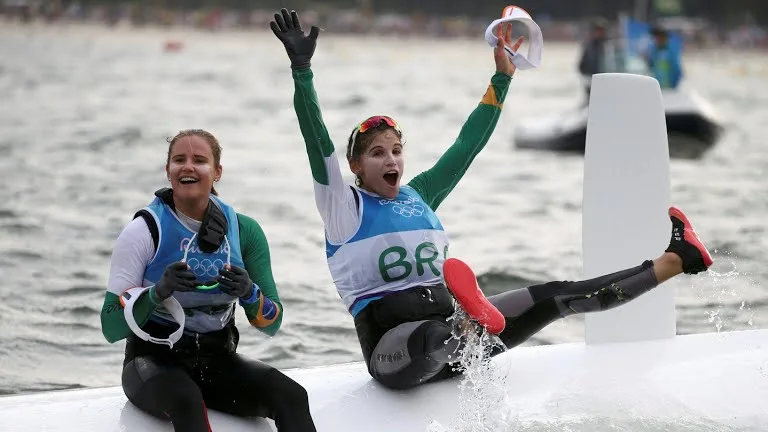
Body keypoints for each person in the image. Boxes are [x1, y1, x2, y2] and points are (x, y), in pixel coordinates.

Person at [270, 9, 713, 391]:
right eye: (377, 153)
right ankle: (468, 325)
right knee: (432, 339)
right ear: (355, 166)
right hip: (398, 350)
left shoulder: (419, 195)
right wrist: (302, 71)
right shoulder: (343, 207)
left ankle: (677, 258)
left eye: (396, 150)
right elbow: (316, 139)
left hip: (462, 333)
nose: (391, 160)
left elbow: (467, 146)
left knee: (559, 295)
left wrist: (502, 78)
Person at [100, 129, 317, 432]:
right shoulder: (143, 232)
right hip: (152, 362)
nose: (187, 167)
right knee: (187, 401)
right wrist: (156, 293)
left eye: (199, 160)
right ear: (168, 171)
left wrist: (249, 293)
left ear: (216, 172)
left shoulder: (244, 232)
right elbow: (110, 327)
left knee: (293, 396)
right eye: (179, 160)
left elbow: (273, 323)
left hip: (217, 362)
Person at [578, 18, 609, 101]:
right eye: (598, 30)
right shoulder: (589, 47)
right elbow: (581, 66)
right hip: (592, 82)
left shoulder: (610, 46)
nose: (600, 33)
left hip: (608, 81)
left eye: (602, 30)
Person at [645, 25, 683, 89]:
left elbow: (678, 71)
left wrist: (673, 86)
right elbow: (651, 66)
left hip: (669, 87)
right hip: (658, 87)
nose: (657, 40)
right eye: (656, 38)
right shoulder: (654, 51)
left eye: (660, 37)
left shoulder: (671, 51)